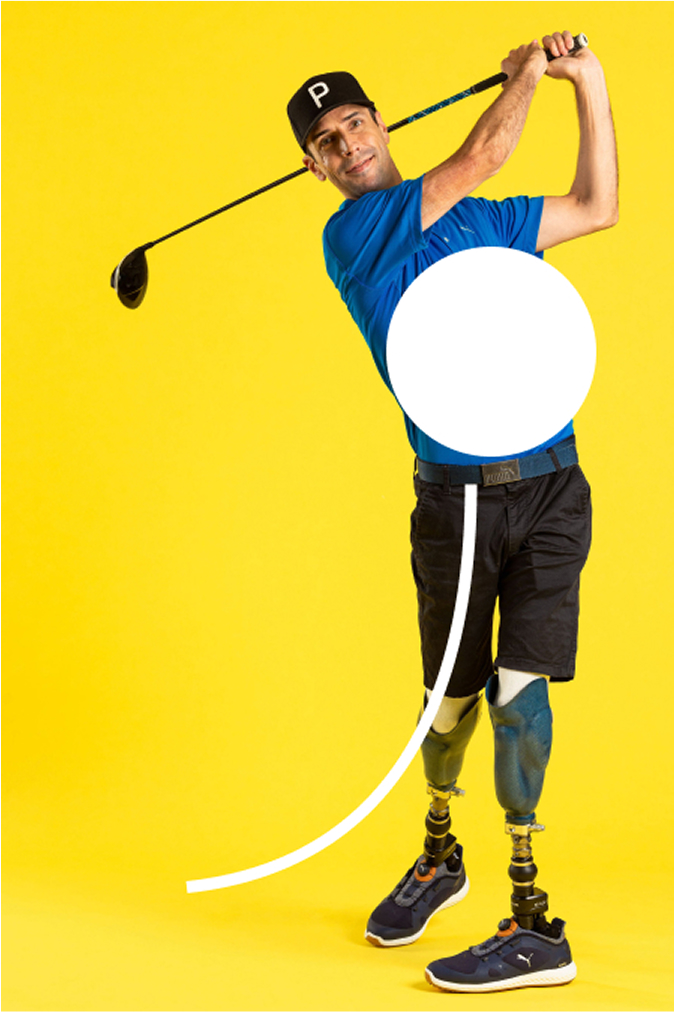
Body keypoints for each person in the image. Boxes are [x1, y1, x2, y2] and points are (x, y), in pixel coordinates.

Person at [287, 31, 617, 993]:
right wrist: (527, 78)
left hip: (552, 485)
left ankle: (531, 921)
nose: (347, 145)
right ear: (314, 171)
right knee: (452, 697)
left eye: (353, 122)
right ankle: (441, 853)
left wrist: (587, 82)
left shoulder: (488, 222)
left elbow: (597, 206)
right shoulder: (353, 236)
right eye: (326, 144)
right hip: (454, 500)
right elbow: (484, 151)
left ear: (378, 122)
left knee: (522, 695)